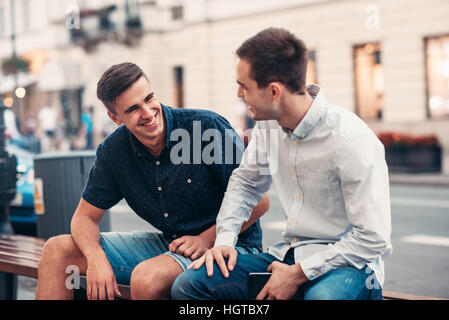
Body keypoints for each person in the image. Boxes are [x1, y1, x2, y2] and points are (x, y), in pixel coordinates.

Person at [171, 28, 393, 300]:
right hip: (287, 255)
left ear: (274, 91)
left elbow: (373, 239)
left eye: (244, 86)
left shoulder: (351, 139)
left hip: (349, 266)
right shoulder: (267, 126)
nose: (240, 94)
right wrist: (224, 241)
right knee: (190, 284)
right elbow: (246, 183)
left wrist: (299, 273)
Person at [35, 62, 270, 300]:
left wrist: (206, 239)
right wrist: (95, 257)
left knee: (147, 278)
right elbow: (84, 217)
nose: (148, 113)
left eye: (149, 98)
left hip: (232, 246)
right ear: (115, 117)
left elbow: (260, 200)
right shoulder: (114, 151)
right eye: (133, 109)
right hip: (171, 245)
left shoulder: (205, 127)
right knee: (57, 251)